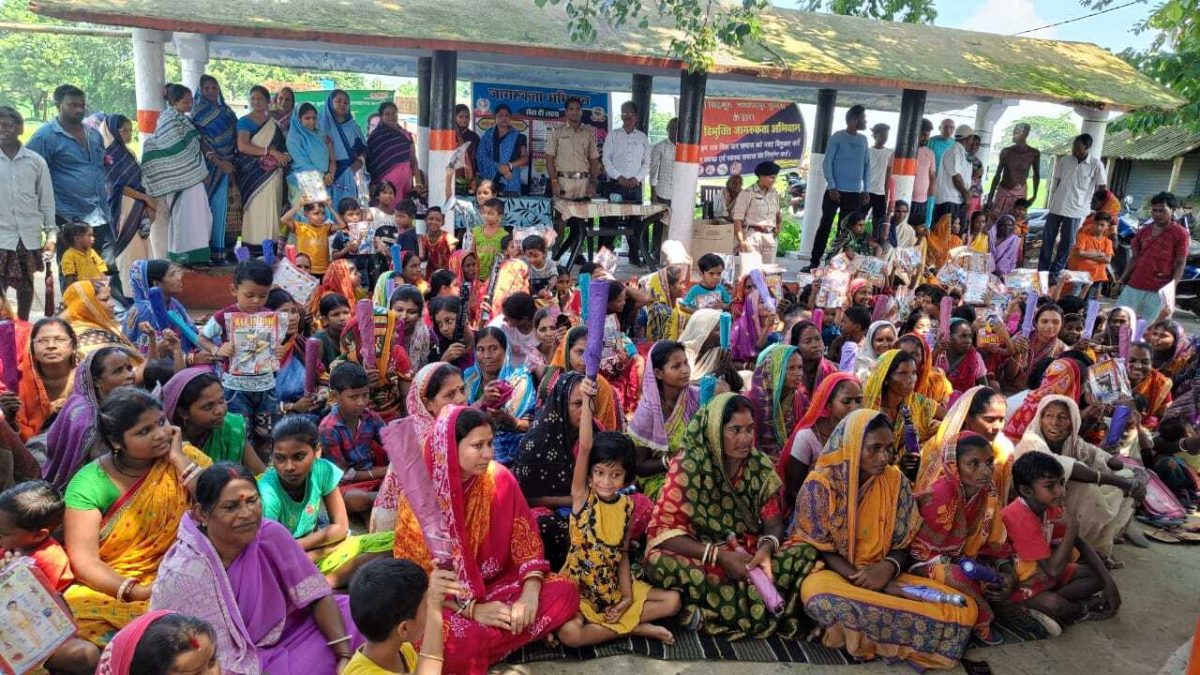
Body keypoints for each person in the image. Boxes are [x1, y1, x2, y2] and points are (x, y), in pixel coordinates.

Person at [391, 405, 580, 674]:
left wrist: (529, 595)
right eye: (477, 446)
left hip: (501, 585)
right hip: (444, 603)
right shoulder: (420, 499)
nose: (488, 454)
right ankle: (514, 636)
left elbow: (526, 543)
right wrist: (473, 610)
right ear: (449, 447)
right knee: (447, 642)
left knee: (565, 591)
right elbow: (416, 582)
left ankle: (498, 640)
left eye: (490, 443)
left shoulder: (499, 477)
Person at [793, 409, 976, 670]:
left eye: (889, 448)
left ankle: (857, 630)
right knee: (818, 597)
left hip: (887, 573)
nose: (884, 457)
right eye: (874, 449)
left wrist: (886, 569)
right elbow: (821, 548)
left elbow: (904, 542)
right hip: (837, 574)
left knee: (963, 609)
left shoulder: (895, 480)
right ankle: (900, 633)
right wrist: (866, 580)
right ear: (852, 445)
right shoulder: (821, 483)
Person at [151, 462, 363, 673]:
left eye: (252, 501)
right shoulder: (184, 573)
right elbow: (198, 657)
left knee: (356, 612)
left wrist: (343, 655)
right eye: (230, 507)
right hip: (238, 662)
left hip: (292, 629)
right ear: (201, 514)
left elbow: (317, 595)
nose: (247, 513)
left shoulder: (270, 533)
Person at [644, 393, 818, 638]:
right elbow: (664, 533)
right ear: (715, 430)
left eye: (749, 429)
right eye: (735, 430)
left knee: (806, 551)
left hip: (748, 551)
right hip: (701, 551)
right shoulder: (688, 464)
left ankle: (703, 612)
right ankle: (758, 606)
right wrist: (720, 557)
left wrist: (766, 550)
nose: (745, 439)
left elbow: (774, 525)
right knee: (658, 561)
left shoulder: (758, 465)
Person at [62, 387, 211, 645]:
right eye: (144, 431)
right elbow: (85, 562)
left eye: (162, 422)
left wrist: (177, 458)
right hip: (116, 585)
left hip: (187, 572)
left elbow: (217, 502)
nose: (161, 434)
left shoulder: (187, 458)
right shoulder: (88, 483)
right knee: (77, 620)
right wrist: (136, 591)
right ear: (117, 442)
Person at [556, 379, 682, 646]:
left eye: (615, 475)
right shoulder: (582, 497)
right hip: (579, 591)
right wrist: (587, 402)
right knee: (569, 634)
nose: (606, 481)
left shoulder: (627, 506)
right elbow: (586, 447)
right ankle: (634, 628)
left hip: (612, 589)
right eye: (599, 473)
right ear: (590, 475)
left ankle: (618, 623)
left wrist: (625, 599)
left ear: (626, 478)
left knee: (673, 601)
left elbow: (623, 555)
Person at [259, 415, 393, 587]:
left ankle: (321, 585)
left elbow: (340, 527)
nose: (289, 466)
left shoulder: (323, 470)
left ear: (317, 451)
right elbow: (270, 554)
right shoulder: (268, 493)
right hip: (284, 562)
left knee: (394, 543)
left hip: (310, 546)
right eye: (280, 458)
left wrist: (324, 546)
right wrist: (324, 550)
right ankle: (323, 586)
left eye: (299, 457)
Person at [1013, 395, 1143, 567]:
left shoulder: (1072, 442)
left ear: (1073, 421)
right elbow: (1066, 468)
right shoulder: (1031, 441)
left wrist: (1135, 474)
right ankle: (1073, 549)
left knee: (1127, 476)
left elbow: (1105, 459)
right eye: (1048, 416)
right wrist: (1123, 483)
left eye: (1062, 417)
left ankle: (1095, 548)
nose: (1054, 422)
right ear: (1040, 418)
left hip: (1060, 501)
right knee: (1085, 488)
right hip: (1037, 506)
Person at [911, 432, 1015, 644]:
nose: (985, 471)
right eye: (973, 464)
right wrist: (960, 562)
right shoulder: (940, 493)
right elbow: (917, 548)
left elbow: (994, 543)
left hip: (967, 558)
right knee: (959, 576)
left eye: (989, 462)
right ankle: (983, 622)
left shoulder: (987, 493)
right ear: (954, 465)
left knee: (1010, 574)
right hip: (926, 560)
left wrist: (1007, 571)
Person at [1002, 452, 1120, 630]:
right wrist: (1072, 528)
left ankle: (1047, 604)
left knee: (1100, 574)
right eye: (1050, 486)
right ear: (1026, 490)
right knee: (1055, 605)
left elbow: (1080, 543)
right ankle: (1080, 607)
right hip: (1018, 582)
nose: (1061, 491)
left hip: (1041, 574)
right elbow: (1053, 570)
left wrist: (1110, 585)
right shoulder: (1019, 517)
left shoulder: (1048, 506)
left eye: (1061, 482)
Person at [27, 85, 116, 293]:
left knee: (104, 267)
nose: (79, 109)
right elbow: (30, 172)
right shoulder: (45, 137)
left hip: (100, 214)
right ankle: (75, 310)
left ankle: (102, 308)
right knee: (73, 270)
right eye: (72, 105)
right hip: (68, 216)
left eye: (82, 105)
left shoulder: (93, 134)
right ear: (58, 105)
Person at [370, 363, 467, 533]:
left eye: (462, 390)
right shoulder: (422, 442)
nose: (460, 399)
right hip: (413, 529)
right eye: (450, 394)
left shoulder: (459, 428)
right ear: (427, 404)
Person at [197, 259, 279, 450]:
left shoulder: (269, 316)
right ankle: (243, 465)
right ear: (234, 289)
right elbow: (202, 338)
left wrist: (277, 350)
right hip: (236, 387)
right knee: (242, 432)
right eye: (249, 295)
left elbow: (273, 345)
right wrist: (217, 349)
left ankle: (264, 463)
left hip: (265, 385)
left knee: (266, 432)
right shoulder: (223, 316)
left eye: (263, 295)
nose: (256, 301)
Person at [41, 345, 135, 490]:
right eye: (118, 371)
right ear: (97, 382)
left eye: (129, 368)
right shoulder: (86, 417)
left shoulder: (127, 401)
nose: (129, 375)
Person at [346, 559, 461, 675]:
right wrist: (435, 604)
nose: (429, 612)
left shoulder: (403, 650)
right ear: (404, 628)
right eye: (427, 606)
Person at [139, 84, 212, 265]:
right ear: (174, 102)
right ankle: (183, 257)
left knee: (200, 216)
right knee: (185, 218)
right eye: (186, 102)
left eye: (191, 101)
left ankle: (199, 256)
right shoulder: (169, 119)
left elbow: (189, 147)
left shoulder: (181, 119)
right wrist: (197, 171)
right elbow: (176, 151)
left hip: (192, 178)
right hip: (183, 179)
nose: (190, 105)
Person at [778, 372, 862, 514]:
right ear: (828, 405)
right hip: (813, 512)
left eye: (859, 400)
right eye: (846, 401)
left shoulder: (861, 434)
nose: (854, 407)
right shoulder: (807, 438)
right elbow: (794, 492)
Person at [0, 106, 55, 320]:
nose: (3, 129)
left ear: (20, 128)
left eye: (7, 125)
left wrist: (51, 236)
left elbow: (46, 201)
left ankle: (22, 327)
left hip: (27, 236)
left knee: (26, 286)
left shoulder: (35, 161)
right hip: (1, 236)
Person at [628, 340, 700, 499]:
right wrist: (670, 460)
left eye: (685, 363)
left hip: (694, 469)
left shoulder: (695, 397)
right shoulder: (648, 412)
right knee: (683, 495)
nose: (685, 370)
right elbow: (640, 466)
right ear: (658, 373)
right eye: (676, 366)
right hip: (659, 478)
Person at [163, 366, 264, 474]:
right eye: (208, 406)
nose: (220, 410)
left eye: (221, 401)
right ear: (183, 413)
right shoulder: (168, 442)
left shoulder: (231, 427)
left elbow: (262, 475)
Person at [319, 362, 388, 517]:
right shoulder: (328, 430)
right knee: (356, 500)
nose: (361, 402)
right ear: (334, 396)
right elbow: (344, 475)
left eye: (365, 395)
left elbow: (390, 443)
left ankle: (377, 502)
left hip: (374, 475)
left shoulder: (370, 416)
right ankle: (382, 500)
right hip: (347, 485)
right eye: (353, 397)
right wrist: (386, 471)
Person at [463, 326, 535, 466]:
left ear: (505, 350)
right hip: (473, 450)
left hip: (513, 453)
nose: (487, 356)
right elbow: (460, 417)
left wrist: (513, 422)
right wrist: (482, 401)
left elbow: (530, 425)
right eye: (481, 349)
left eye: (493, 349)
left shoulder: (519, 380)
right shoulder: (469, 378)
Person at [1041, 134, 1108, 284]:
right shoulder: (1065, 161)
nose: (1074, 150)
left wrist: (1096, 206)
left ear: (1087, 147)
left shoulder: (1096, 165)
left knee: (1067, 243)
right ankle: (1042, 272)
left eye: (1078, 147)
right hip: (1057, 206)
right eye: (1074, 146)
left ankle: (1055, 274)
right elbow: (1057, 182)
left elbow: (1102, 188)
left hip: (1076, 210)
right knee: (1047, 239)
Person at [811, 105, 870, 268]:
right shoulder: (837, 137)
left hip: (854, 194)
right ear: (854, 119)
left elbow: (867, 166)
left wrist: (866, 189)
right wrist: (832, 186)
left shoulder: (863, 140)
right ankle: (814, 262)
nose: (865, 121)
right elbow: (827, 163)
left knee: (846, 232)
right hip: (834, 192)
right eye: (863, 118)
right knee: (825, 226)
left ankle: (836, 265)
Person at [1116, 191, 1188, 321]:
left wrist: (1172, 288)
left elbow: (1180, 262)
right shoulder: (1144, 231)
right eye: (1154, 210)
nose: (1157, 214)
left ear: (1172, 210)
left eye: (1161, 211)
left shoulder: (1180, 233)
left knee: (1148, 326)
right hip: (1135, 284)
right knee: (1122, 320)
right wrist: (1121, 280)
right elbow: (1134, 257)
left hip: (1159, 289)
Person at [192, 76, 242, 261]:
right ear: (200, 91)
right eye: (206, 88)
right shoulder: (196, 114)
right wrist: (218, 161)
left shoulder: (227, 112)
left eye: (214, 88)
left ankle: (227, 250)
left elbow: (237, 136)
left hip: (231, 164)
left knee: (231, 208)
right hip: (209, 167)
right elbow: (199, 141)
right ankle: (209, 250)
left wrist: (232, 163)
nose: (211, 91)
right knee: (210, 208)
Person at [537, 326, 622, 431]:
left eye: (591, 353)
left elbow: (604, 431)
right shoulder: (552, 382)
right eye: (580, 352)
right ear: (567, 351)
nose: (585, 360)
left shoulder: (601, 387)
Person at [546, 97, 601, 259]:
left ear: (581, 112)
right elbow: (549, 159)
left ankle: (576, 254)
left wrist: (592, 183)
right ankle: (555, 255)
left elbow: (594, 160)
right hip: (563, 182)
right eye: (571, 109)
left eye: (577, 109)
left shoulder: (588, 133)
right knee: (560, 221)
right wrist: (554, 181)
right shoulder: (557, 132)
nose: (574, 112)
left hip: (583, 183)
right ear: (566, 111)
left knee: (580, 220)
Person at [235, 84, 290, 246]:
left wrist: (283, 156)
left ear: (268, 101)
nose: (256, 102)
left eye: (260, 98)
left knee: (272, 209)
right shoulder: (245, 121)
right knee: (254, 211)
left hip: (273, 174)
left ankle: (270, 249)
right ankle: (252, 248)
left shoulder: (273, 124)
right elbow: (243, 146)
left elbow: (282, 148)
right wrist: (270, 152)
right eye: (252, 98)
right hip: (252, 175)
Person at [862, 349, 941, 456]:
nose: (911, 379)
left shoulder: (917, 402)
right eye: (903, 373)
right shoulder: (868, 408)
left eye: (914, 373)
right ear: (886, 378)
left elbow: (953, 416)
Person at [600, 101, 651, 260]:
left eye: (630, 113)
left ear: (636, 117)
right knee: (611, 222)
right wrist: (619, 177)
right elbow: (606, 159)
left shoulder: (643, 138)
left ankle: (634, 256)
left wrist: (637, 178)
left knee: (635, 223)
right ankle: (604, 260)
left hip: (635, 187)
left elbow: (647, 163)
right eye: (624, 113)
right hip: (616, 186)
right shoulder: (613, 135)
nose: (626, 116)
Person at [122, 259, 194, 355]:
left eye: (177, 273)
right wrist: (191, 359)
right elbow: (149, 355)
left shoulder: (173, 303)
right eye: (172, 275)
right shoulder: (147, 311)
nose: (179, 278)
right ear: (156, 283)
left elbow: (192, 332)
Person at [749, 344, 804, 457]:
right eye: (791, 368)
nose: (797, 373)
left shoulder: (800, 399)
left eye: (800, 367)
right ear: (775, 370)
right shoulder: (754, 401)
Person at [320, 89, 369, 207]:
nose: (342, 104)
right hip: (326, 175)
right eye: (338, 101)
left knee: (349, 209)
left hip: (349, 174)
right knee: (328, 209)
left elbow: (364, 148)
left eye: (346, 102)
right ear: (330, 102)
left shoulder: (353, 126)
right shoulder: (320, 125)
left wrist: (360, 160)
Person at [285, 102, 337, 207]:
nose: (312, 121)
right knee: (307, 214)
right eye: (307, 118)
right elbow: (302, 162)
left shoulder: (321, 135)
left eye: (314, 118)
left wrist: (330, 175)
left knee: (323, 214)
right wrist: (322, 177)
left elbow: (331, 159)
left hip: (324, 181)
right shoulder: (293, 138)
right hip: (303, 181)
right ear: (298, 119)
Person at [986, 122, 1041, 220]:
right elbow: (997, 175)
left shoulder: (1034, 153)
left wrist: (1034, 196)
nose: (1014, 134)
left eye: (1018, 132)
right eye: (1014, 131)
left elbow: (1036, 175)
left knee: (1016, 222)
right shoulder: (1006, 152)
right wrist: (990, 197)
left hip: (1019, 194)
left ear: (1025, 134)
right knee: (995, 220)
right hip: (1003, 191)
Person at [367, 102, 420, 202]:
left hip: (406, 186)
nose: (391, 117)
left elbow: (413, 160)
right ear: (381, 116)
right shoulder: (376, 137)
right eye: (387, 114)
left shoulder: (406, 135)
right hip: (387, 187)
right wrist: (373, 185)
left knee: (404, 210)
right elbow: (371, 163)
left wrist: (418, 183)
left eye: (394, 113)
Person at [733, 160, 784, 264]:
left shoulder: (774, 194)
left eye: (775, 178)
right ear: (761, 177)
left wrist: (778, 227)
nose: (774, 181)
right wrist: (741, 241)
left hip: (770, 236)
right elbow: (738, 220)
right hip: (752, 236)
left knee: (769, 271)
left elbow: (777, 215)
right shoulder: (747, 193)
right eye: (771, 177)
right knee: (752, 270)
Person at [476, 104, 528, 195]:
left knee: (511, 204)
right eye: (500, 116)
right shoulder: (488, 136)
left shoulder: (518, 137)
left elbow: (524, 158)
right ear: (495, 117)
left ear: (510, 117)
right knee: (491, 204)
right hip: (490, 182)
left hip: (511, 181)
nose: (504, 118)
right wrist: (501, 168)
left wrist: (508, 166)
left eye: (507, 116)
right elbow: (481, 156)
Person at [933, 125, 977, 229]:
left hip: (958, 200)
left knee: (956, 233)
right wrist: (966, 195)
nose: (972, 142)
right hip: (949, 200)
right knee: (946, 233)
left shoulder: (963, 153)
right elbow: (956, 177)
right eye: (972, 138)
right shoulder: (953, 151)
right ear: (968, 138)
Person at [937, 318, 989, 396]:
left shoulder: (975, 357)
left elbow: (984, 387)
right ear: (949, 337)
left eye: (970, 336)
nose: (968, 341)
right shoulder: (938, 355)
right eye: (963, 336)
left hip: (966, 401)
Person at [866, 122, 893, 243]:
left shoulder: (890, 153)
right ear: (875, 135)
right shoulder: (867, 151)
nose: (885, 138)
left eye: (886, 135)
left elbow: (890, 175)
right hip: (867, 191)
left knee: (878, 222)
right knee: (860, 218)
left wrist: (888, 196)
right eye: (882, 135)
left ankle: (875, 244)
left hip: (881, 193)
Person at [59, 221, 107, 288]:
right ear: (77, 239)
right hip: (81, 289)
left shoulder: (91, 252)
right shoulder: (68, 256)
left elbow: (101, 267)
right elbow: (69, 277)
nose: (93, 238)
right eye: (89, 236)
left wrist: (104, 284)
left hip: (97, 287)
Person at [909, 119, 938, 228]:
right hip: (906, 200)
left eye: (928, 135)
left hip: (923, 202)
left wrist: (931, 199)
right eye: (923, 135)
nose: (926, 138)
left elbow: (932, 177)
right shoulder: (905, 150)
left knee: (919, 230)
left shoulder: (930, 153)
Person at [453, 104, 480, 194]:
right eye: (460, 117)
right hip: (451, 176)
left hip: (470, 179)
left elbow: (477, 158)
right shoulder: (449, 135)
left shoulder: (474, 137)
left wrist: (476, 177)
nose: (464, 120)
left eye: (467, 117)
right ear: (454, 118)